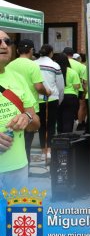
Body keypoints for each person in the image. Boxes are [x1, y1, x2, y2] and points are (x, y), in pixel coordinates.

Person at [0, 31, 40, 191]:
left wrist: (27, 117)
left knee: (17, 215)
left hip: (18, 169)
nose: (4, 45)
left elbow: (35, 123)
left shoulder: (18, 78)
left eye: (7, 41)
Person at [6, 39, 50, 163]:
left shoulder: (10, 64)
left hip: (13, 106)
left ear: (18, 50)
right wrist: (47, 92)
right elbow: (38, 87)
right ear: (31, 50)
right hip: (30, 108)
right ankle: (26, 167)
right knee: (27, 141)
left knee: (14, 141)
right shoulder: (33, 65)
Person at [35, 44, 65, 160]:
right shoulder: (55, 65)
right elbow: (60, 85)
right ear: (51, 52)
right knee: (51, 126)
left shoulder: (33, 64)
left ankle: (43, 151)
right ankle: (49, 151)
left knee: (41, 126)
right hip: (52, 99)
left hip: (37, 99)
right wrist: (60, 98)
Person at [53, 53, 80, 135]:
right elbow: (77, 86)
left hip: (58, 96)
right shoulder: (72, 72)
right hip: (71, 97)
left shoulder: (55, 72)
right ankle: (67, 139)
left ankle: (59, 137)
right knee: (68, 119)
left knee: (59, 118)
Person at [63, 47, 87, 131]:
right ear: (72, 55)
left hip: (62, 90)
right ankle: (80, 123)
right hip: (77, 90)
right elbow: (84, 80)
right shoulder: (80, 65)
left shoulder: (60, 63)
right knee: (81, 106)